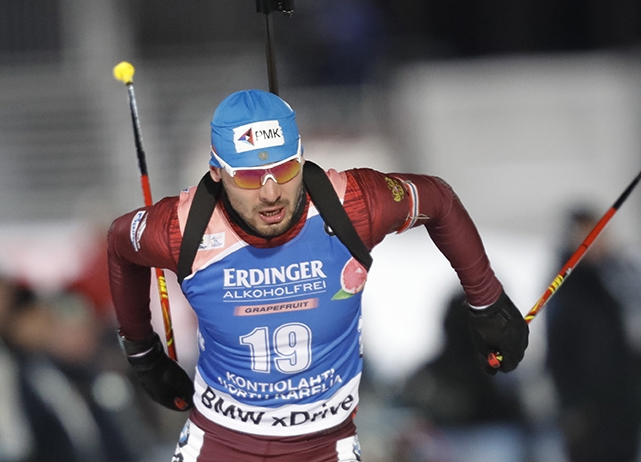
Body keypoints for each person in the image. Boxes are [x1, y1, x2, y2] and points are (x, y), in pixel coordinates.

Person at [106, 89, 529, 461]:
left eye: (285, 171)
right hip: (220, 444)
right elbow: (120, 243)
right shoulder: (180, 229)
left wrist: (486, 301)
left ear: (302, 157)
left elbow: (438, 200)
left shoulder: (353, 205)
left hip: (325, 446)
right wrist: (142, 351)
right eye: (249, 177)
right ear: (217, 173)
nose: (271, 193)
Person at [545, 208, 641, 462]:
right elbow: (558, 354)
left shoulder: (617, 282)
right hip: (587, 418)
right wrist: (573, 406)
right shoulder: (564, 290)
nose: (598, 243)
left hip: (623, 414)